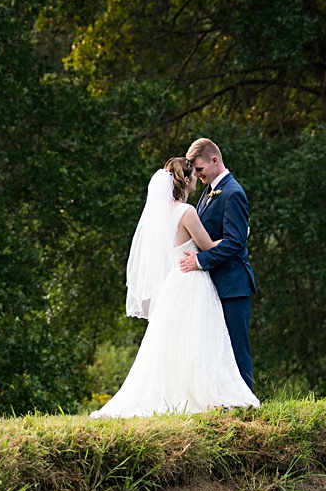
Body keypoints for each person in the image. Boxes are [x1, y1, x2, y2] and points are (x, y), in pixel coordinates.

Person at [91, 157, 258, 418]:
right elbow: (208, 246)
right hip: (192, 281)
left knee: (178, 343)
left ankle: (181, 392)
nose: (198, 179)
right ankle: (203, 393)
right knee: (200, 341)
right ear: (187, 179)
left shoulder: (164, 213)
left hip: (174, 284)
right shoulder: (187, 212)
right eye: (195, 174)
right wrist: (241, 234)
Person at [179, 138, 256, 395]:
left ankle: (247, 403)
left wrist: (199, 261)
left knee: (236, 348)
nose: (196, 175)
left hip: (233, 284)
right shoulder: (207, 192)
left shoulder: (233, 193)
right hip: (215, 284)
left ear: (214, 161)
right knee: (217, 349)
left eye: (199, 169)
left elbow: (235, 243)